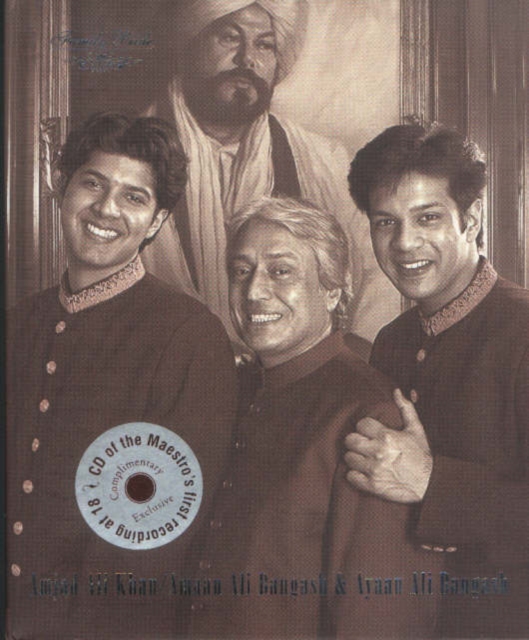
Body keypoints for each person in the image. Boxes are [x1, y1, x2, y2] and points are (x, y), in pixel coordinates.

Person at [6, 113, 237, 639]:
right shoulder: (18, 324)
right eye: (93, 183)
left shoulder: (188, 337)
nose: (107, 209)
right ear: (61, 188)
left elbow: (154, 536)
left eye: (134, 197)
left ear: (156, 222)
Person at [187, 196, 440, 639]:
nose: (253, 291)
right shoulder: (237, 393)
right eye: (241, 271)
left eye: (281, 271)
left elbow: (377, 620)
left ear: (331, 290)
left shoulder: (371, 417)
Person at [344, 123, 529, 638]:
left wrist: (432, 482)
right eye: (386, 222)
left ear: (471, 220)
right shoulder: (393, 340)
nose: (405, 243)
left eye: (427, 217)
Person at [143, 0, 399, 342]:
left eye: (265, 45)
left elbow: (377, 272)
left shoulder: (324, 161)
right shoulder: (130, 155)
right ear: (191, 42)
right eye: (229, 38)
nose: (247, 59)